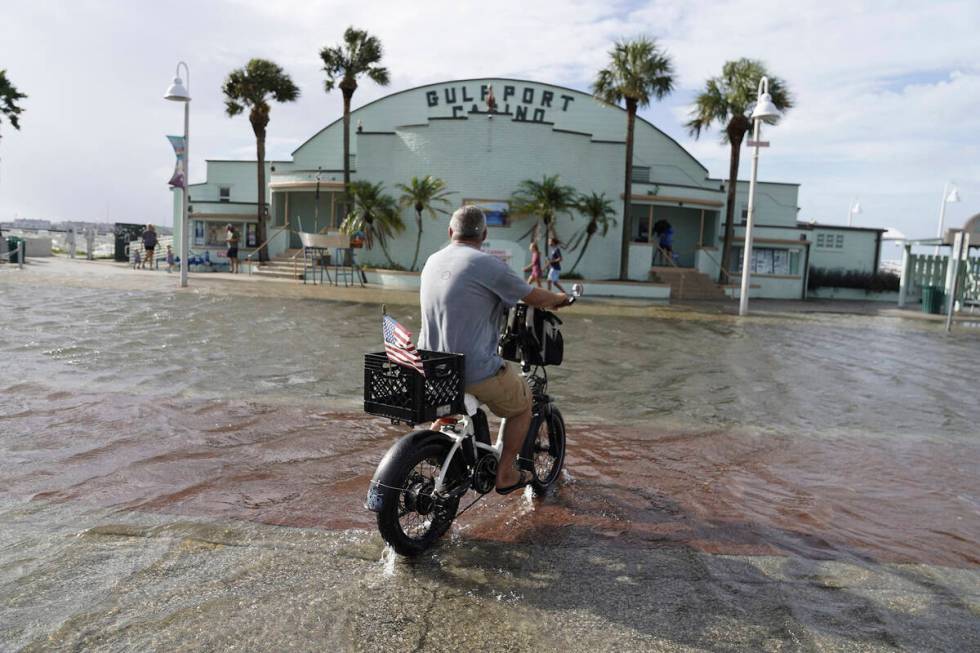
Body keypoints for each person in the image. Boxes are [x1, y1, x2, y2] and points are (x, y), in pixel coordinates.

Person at [419, 206, 570, 495]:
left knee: (451, 407)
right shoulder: (486, 265)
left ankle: (438, 446)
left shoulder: (432, 260)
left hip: (431, 366)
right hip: (472, 369)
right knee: (523, 403)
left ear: (451, 232)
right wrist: (561, 299)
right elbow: (534, 296)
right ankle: (506, 473)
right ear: (484, 235)